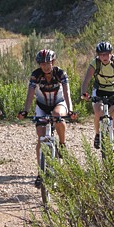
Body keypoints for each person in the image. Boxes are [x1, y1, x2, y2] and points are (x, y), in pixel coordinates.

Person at [17, 49, 76, 188]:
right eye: (42, 64)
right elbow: (30, 94)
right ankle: (40, 172)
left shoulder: (60, 73)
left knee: (58, 116)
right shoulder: (35, 75)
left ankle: (62, 144)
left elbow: (67, 93)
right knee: (40, 137)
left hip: (58, 103)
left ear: (53, 62)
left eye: (48, 63)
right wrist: (25, 110)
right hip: (42, 106)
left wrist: (71, 109)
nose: (46, 66)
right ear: (39, 65)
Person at [80, 40, 114, 153]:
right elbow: (86, 80)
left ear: (111, 54)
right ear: (98, 55)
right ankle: (98, 134)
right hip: (99, 91)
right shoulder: (95, 63)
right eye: (102, 54)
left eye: (107, 54)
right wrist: (84, 93)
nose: (104, 57)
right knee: (98, 112)